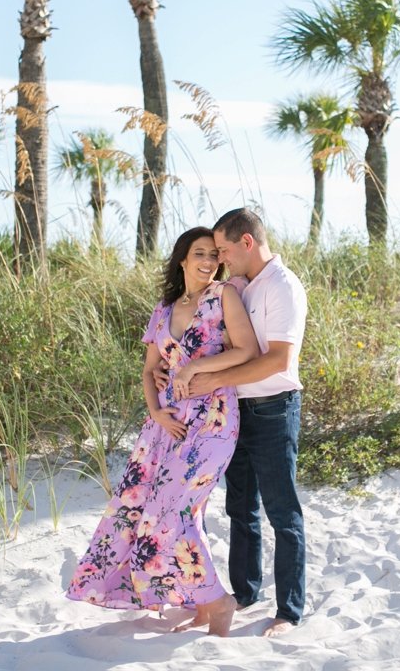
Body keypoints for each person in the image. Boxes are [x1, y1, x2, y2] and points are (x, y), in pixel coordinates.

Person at [66, 226, 259, 638]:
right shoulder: (164, 308)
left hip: (212, 418)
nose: (209, 262)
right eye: (200, 254)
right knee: (138, 507)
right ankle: (200, 604)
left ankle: (218, 602)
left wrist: (193, 367)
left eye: (214, 255)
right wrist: (156, 413)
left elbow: (247, 351)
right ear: (183, 260)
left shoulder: (224, 296)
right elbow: (148, 369)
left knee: (174, 511)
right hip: (165, 424)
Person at [174, 208, 308, 638]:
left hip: (272, 408)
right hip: (234, 413)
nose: (222, 258)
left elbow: (277, 359)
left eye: (226, 250)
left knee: (282, 512)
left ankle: (288, 611)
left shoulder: (282, 287)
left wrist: (211, 378)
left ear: (247, 243)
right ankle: (245, 594)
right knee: (240, 509)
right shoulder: (236, 286)